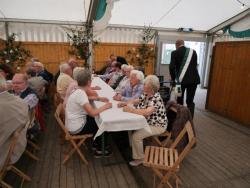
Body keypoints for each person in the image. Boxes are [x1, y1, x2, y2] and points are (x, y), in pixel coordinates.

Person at [117, 75, 167, 166]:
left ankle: (140, 158)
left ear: (150, 87)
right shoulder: (146, 94)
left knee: (136, 136)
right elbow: (136, 101)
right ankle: (134, 147)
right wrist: (125, 103)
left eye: (145, 84)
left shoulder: (155, 98)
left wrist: (131, 110)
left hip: (157, 126)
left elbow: (147, 112)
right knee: (130, 127)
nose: (143, 85)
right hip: (147, 122)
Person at [65, 69, 112, 157]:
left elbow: (84, 100)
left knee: (97, 119)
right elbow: (92, 113)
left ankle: (97, 143)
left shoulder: (77, 89)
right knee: (102, 122)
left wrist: (98, 99)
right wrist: (105, 106)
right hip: (76, 128)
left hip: (71, 124)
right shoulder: (81, 94)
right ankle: (100, 150)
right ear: (89, 82)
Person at [0, 75, 29, 169]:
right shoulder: (20, 101)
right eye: (14, 83)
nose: (16, 85)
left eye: (18, 83)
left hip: (6, 155)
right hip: (18, 145)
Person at [169, 39, 200, 118]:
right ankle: (190, 119)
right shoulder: (193, 52)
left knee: (179, 99)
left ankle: (180, 117)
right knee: (190, 101)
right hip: (194, 80)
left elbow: (172, 67)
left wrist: (173, 79)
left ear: (176, 45)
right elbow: (195, 65)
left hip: (180, 82)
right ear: (183, 44)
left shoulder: (174, 53)